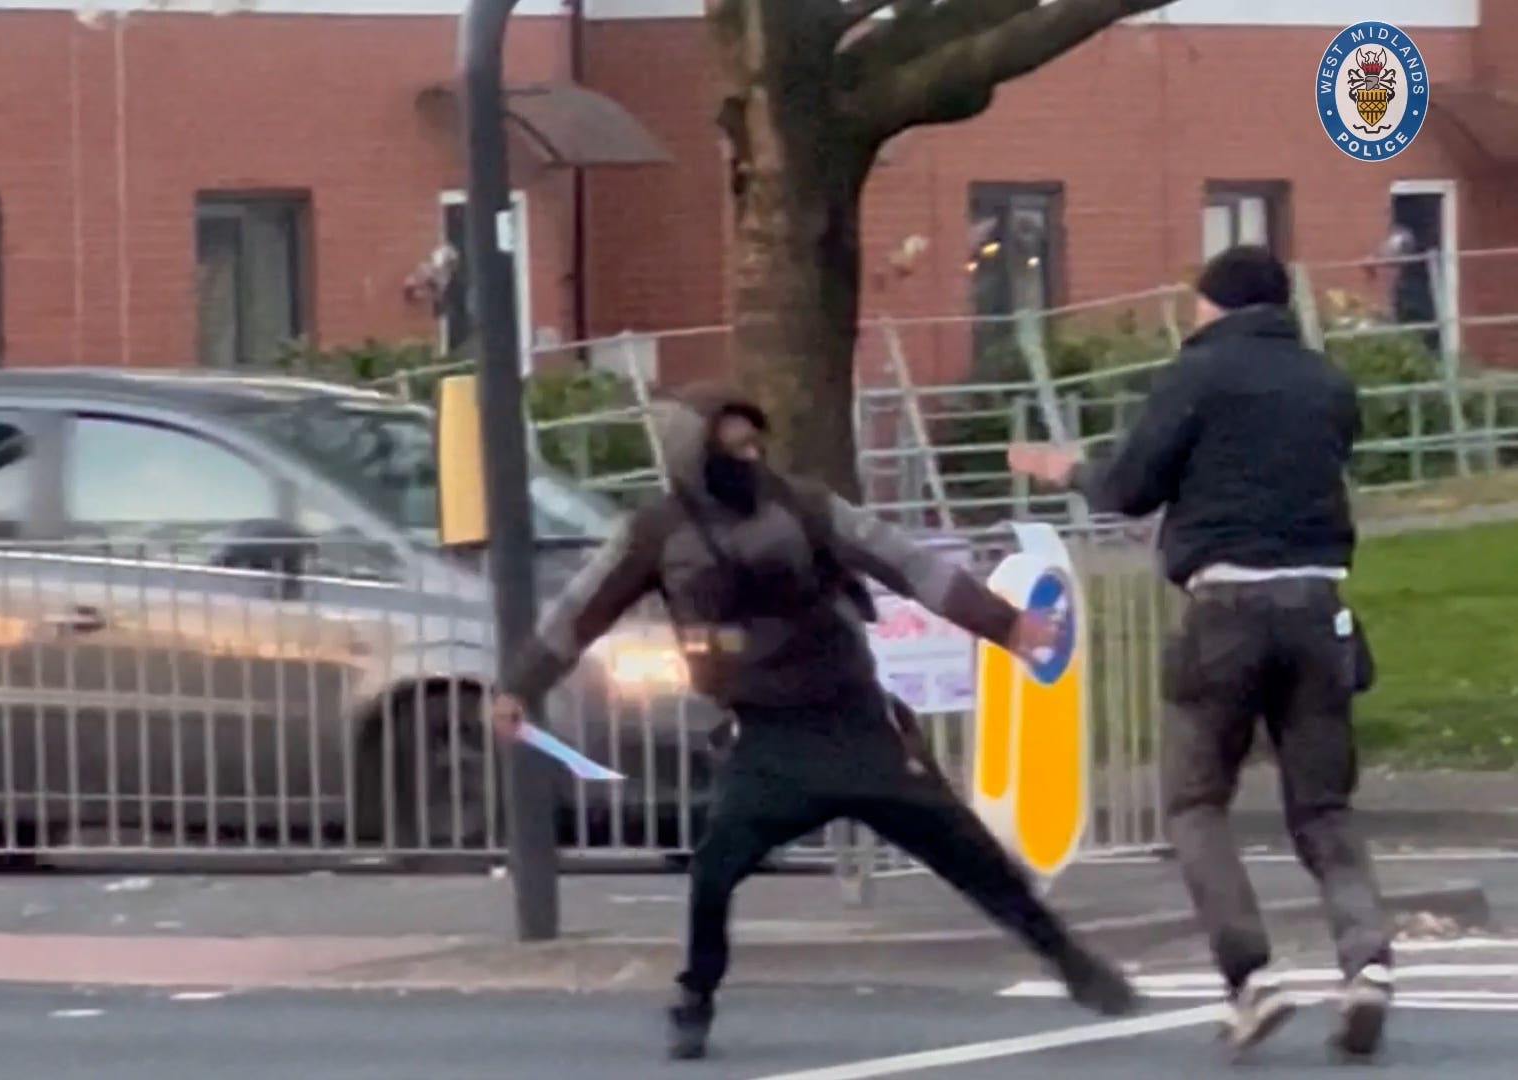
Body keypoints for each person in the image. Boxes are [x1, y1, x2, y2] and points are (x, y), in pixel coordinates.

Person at [491, 383, 1138, 1061]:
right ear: (694, 454)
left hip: (855, 723)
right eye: (733, 446)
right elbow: (579, 610)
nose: (751, 455)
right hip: (769, 739)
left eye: (754, 442)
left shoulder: (802, 506)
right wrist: (520, 685)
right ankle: (696, 997)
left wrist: (1003, 624)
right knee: (714, 869)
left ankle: (1072, 963)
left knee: (973, 855)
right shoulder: (656, 533)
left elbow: (907, 562)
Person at [1008, 244, 1393, 1059]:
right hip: (1321, 604)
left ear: (1213, 305)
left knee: (1195, 801)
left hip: (1226, 607)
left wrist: (1062, 467)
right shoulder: (1328, 383)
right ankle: (1367, 962)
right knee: (1323, 806)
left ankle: (1250, 975)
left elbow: (1128, 487)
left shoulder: (1199, 375)